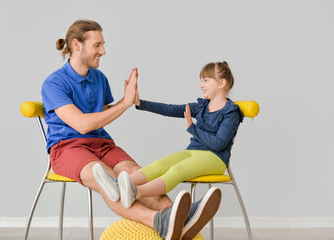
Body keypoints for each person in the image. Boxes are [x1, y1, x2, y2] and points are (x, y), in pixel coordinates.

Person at [41, 19, 221, 240]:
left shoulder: (98, 78)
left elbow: (103, 112)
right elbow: (82, 124)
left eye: (103, 44)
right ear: (77, 45)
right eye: (97, 45)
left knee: (138, 176)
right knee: (107, 180)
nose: (103, 51)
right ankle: (160, 221)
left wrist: (125, 101)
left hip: (102, 144)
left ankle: (179, 220)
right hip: (67, 147)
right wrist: (125, 104)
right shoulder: (54, 83)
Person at [94, 61, 242, 237]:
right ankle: (118, 185)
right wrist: (140, 103)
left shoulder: (231, 112)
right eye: (201, 80)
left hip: (215, 158)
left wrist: (192, 128)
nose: (201, 85)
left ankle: (135, 192)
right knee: (160, 165)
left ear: (222, 82)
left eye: (206, 80)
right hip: (193, 151)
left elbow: (219, 143)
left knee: (177, 170)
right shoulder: (202, 106)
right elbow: (170, 109)